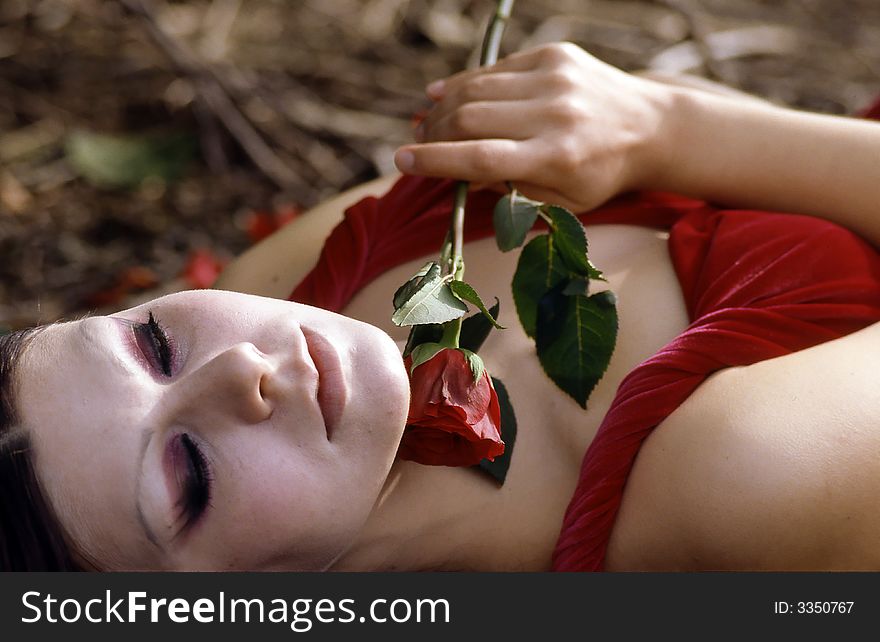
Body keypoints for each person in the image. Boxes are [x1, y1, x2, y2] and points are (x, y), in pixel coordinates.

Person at [2, 42, 879, 571]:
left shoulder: (303, 285)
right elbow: (721, 134)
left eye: (150, 344)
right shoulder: (728, 493)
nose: (239, 368)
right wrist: (670, 131)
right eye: (189, 472)